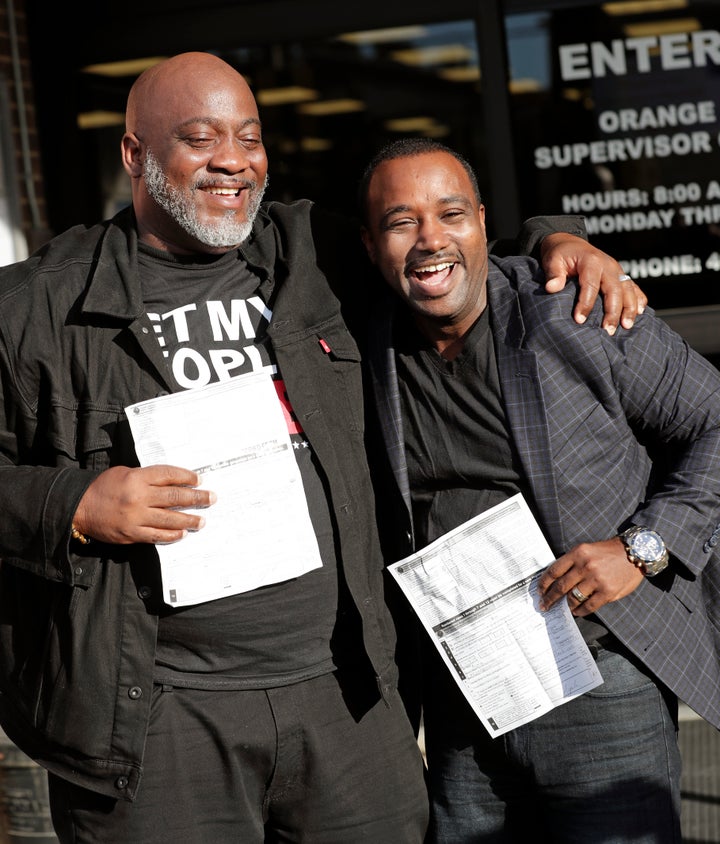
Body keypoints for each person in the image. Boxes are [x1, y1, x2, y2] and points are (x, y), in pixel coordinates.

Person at [0, 53, 642, 844]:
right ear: (136, 156)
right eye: (200, 138)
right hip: (161, 718)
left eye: (250, 136)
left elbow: (445, 248)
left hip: (347, 703)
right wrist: (75, 505)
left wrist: (556, 239)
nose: (233, 159)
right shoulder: (38, 309)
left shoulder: (316, 256)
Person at [359, 137, 720, 844]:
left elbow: (715, 420)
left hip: (598, 676)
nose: (431, 239)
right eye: (402, 222)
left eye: (451, 213)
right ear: (370, 245)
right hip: (464, 696)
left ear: (483, 223)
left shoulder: (573, 312)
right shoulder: (361, 342)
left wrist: (641, 547)